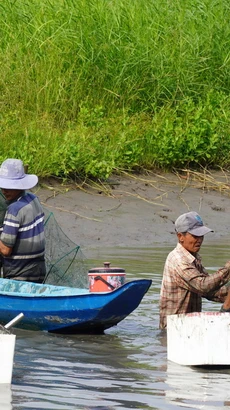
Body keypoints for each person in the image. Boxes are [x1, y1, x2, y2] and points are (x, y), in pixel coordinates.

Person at [159, 211, 230, 329]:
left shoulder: (193, 258)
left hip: (188, 326)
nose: (200, 240)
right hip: (173, 330)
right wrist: (228, 269)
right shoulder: (178, 260)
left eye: (201, 236)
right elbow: (203, 286)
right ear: (180, 236)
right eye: (195, 236)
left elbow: (210, 291)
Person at [0, 158, 46, 283]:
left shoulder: (14, 210)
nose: (4, 190)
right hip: (39, 269)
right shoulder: (33, 199)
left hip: (19, 273)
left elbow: (5, 250)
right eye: (3, 186)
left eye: (9, 186)